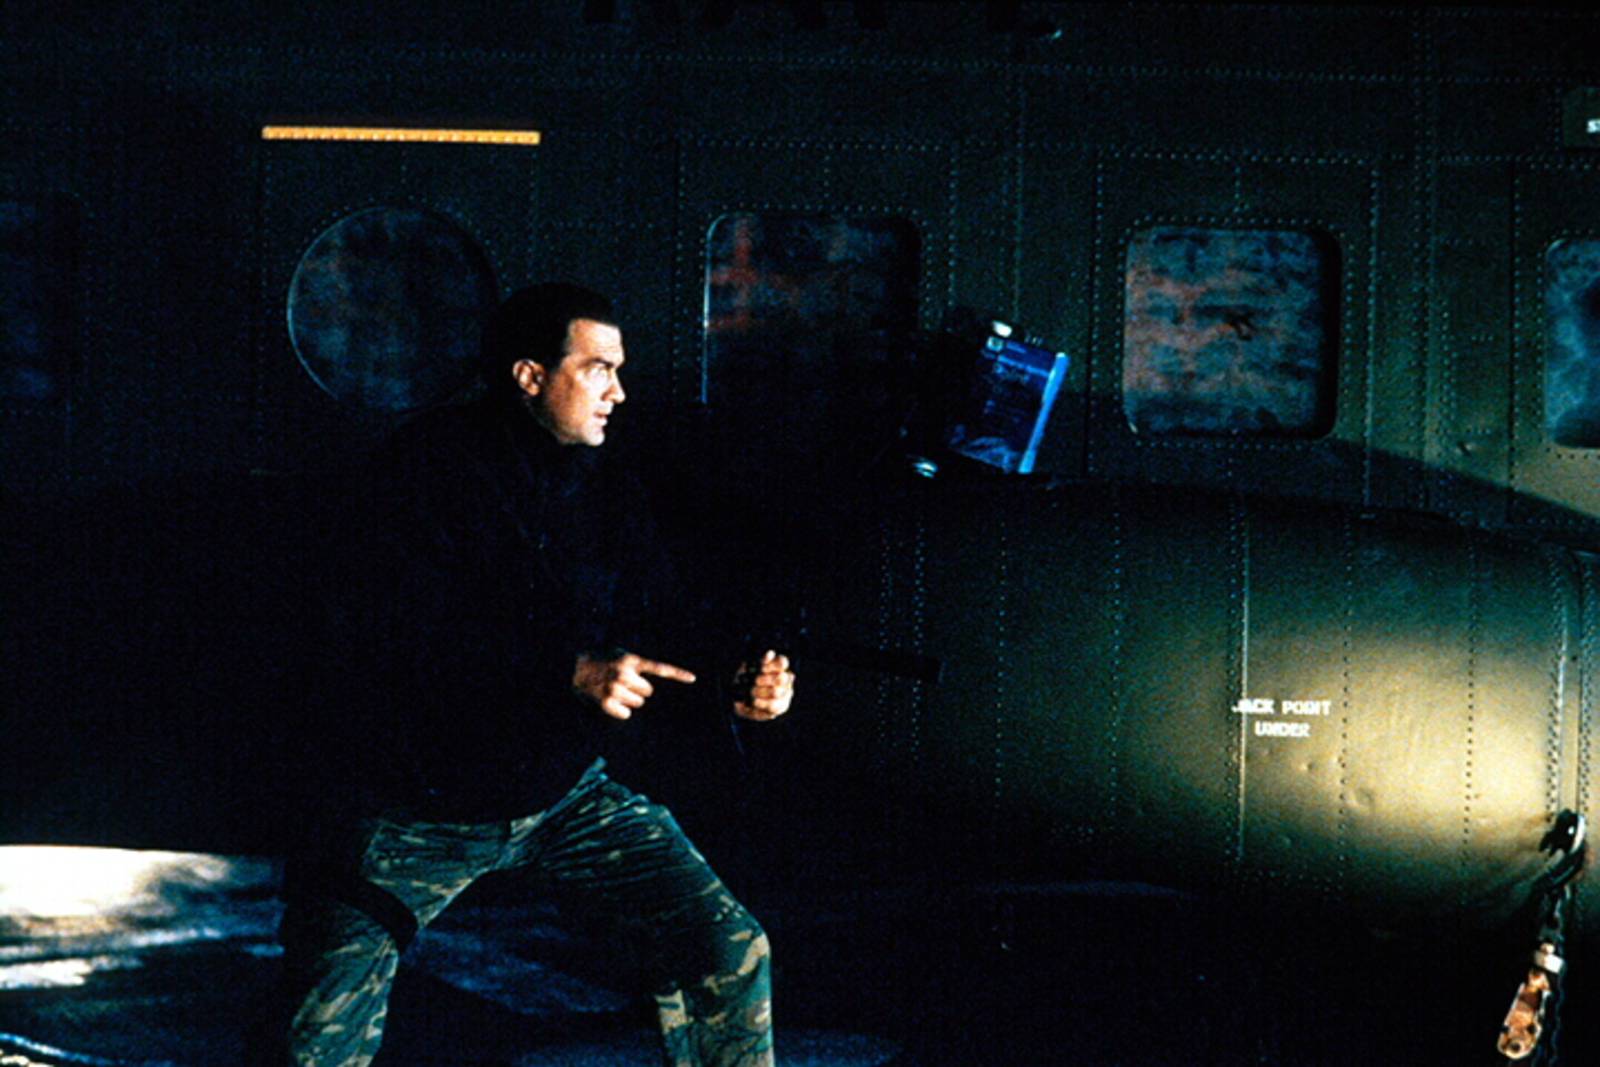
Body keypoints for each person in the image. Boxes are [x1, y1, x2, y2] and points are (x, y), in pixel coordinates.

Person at [264, 283, 796, 1067]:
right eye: (598, 368)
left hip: (562, 797)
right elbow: (386, 641)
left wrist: (734, 683)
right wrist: (566, 671)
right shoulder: (423, 472)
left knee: (726, 947)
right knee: (314, 1039)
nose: (618, 391)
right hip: (414, 813)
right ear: (529, 376)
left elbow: (662, 615)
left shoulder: (603, 483)